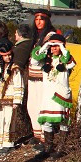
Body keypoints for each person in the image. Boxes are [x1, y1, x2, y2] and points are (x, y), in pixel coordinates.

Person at [30, 33, 75, 155]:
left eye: (56, 46)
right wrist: (46, 45)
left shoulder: (65, 59)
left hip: (61, 95)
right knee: (46, 122)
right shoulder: (46, 60)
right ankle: (48, 147)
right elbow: (34, 61)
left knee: (63, 121)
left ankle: (61, 148)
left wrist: (62, 46)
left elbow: (71, 63)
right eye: (52, 46)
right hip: (48, 96)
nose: (54, 48)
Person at [0, 41, 25, 155]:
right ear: (0, 56)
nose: (8, 57)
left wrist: (17, 101)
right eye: (5, 55)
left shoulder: (15, 68)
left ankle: (8, 143)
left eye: (9, 55)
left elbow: (19, 85)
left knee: (9, 121)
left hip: (11, 99)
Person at [27, 11, 58, 147]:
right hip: (32, 75)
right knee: (31, 106)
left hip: (43, 76)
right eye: (36, 19)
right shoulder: (34, 35)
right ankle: (36, 134)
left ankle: (45, 137)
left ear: (46, 21)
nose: (38, 22)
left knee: (41, 106)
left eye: (41, 19)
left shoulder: (50, 35)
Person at [9, 23, 35, 146]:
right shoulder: (30, 44)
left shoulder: (20, 48)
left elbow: (17, 66)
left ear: (20, 34)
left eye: (15, 33)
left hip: (21, 80)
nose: (14, 35)